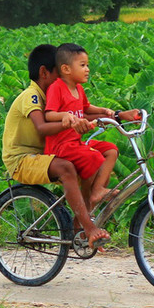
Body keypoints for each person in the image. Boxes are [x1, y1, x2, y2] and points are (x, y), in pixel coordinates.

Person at [1, 44, 110, 250]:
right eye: (59, 73)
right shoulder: (32, 96)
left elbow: (83, 114)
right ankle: (88, 228)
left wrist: (117, 115)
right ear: (44, 72)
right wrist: (69, 123)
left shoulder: (54, 94)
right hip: (22, 160)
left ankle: (79, 226)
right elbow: (42, 127)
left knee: (97, 158)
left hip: (46, 154)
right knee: (66, 168)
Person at [43, 43, 140, 215]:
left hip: (76, 143)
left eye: (87, 65)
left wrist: (104, 110)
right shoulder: (57, 87)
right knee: (94, 157)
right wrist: (65, 115)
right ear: (66, 69)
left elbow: (86, 108)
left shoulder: (78, 88)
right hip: (60, 146)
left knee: (111, 150)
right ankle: (90, 200)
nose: (87, 69)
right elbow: (49, 114)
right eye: (82, 65)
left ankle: (97, 190)